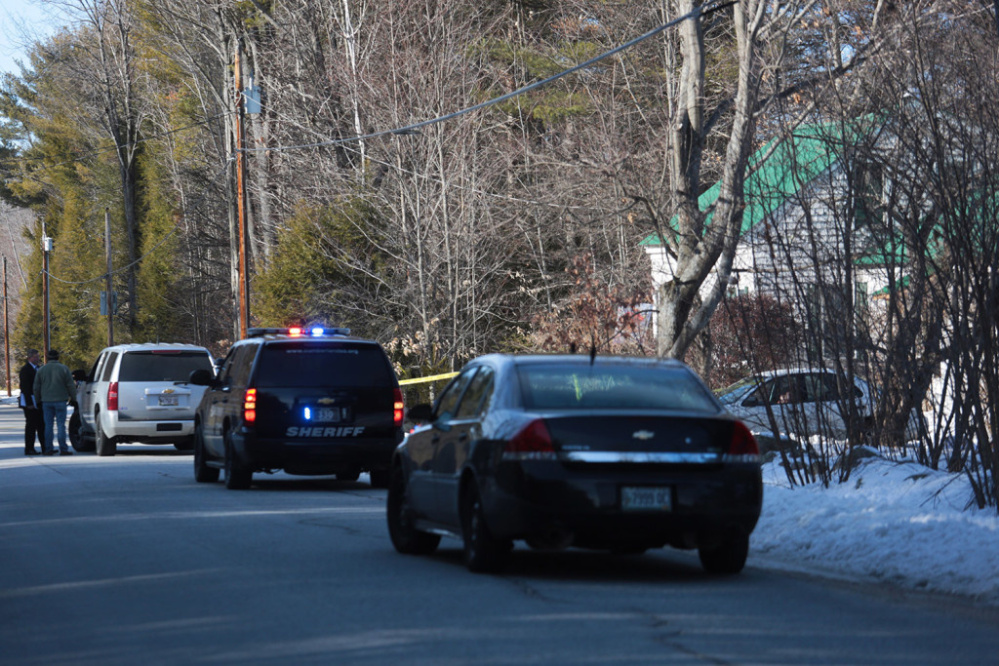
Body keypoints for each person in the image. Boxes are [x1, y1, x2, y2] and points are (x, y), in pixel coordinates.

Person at [33, 349, 77, 456]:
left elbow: (36, 388)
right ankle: (63, 448)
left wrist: (38, 400)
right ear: (58, 357)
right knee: (61, 425)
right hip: (61, 400)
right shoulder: (64, 369)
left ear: (47, 358)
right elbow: (70, 385)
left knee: (48, 425)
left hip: (46, 401)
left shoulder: (41, 370)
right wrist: (74, 398)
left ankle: (48, 448)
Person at [18, 349, 44, 455]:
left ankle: (45, 447)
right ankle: (29, 448)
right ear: (29, 358)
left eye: (38, 356)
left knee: (41, 425)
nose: (37, 359)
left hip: (38, 400)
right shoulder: (25, 370)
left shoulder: (38, 369)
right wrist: (29, 403)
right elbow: (25, 388)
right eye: (35, 357)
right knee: (31, 426)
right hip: (29, 401)